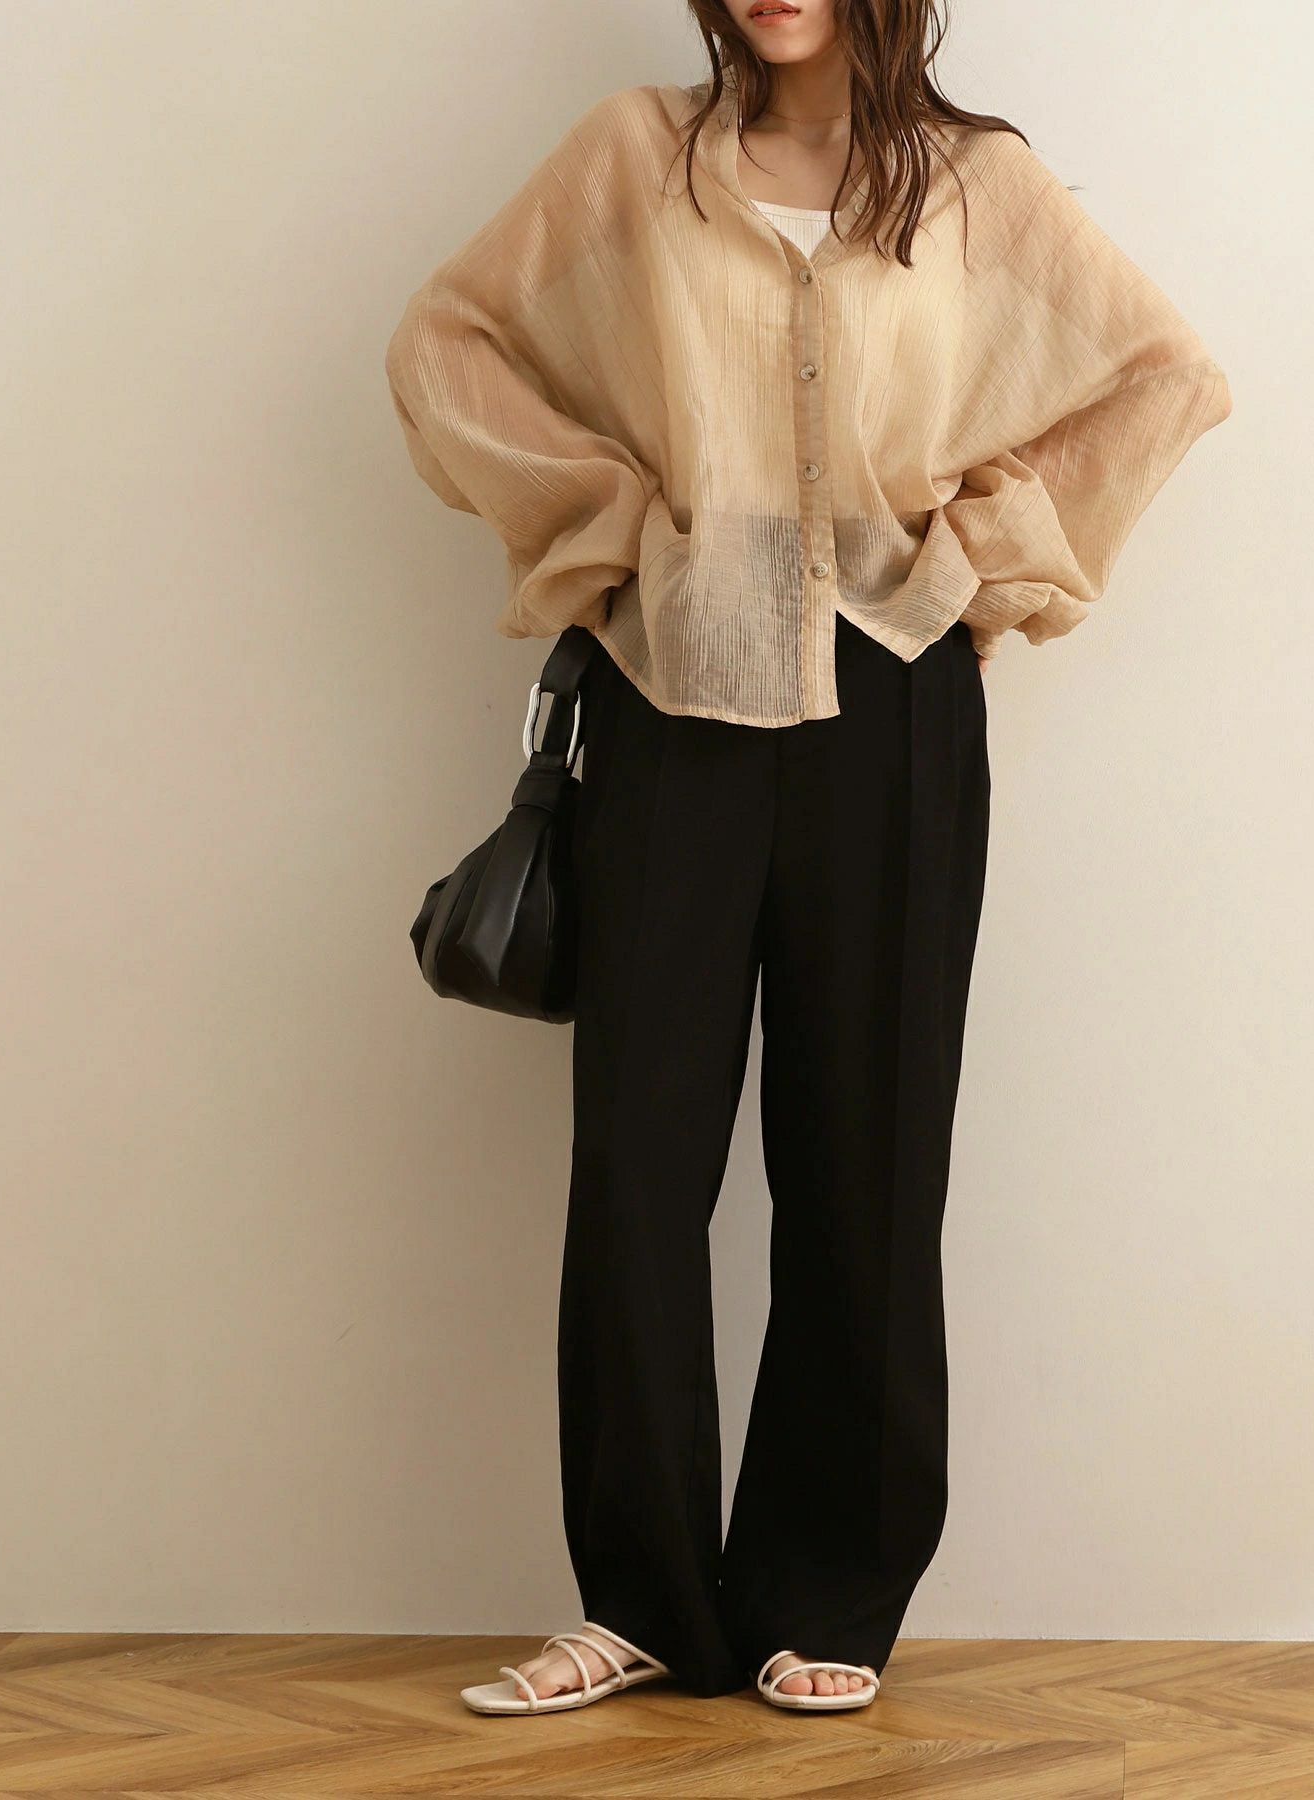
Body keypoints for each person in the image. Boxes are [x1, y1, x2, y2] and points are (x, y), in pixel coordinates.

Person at [383, 0, 1231, 1715]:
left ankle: (823, 1589)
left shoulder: (975, 186)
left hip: (895, 702)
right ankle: (643, 1601)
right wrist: (616, 527)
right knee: (638, 1162)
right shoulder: (636, 160)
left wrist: (983, 547)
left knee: (868, 1153)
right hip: (670, 692)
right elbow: (445, 347)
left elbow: (1167, 377)